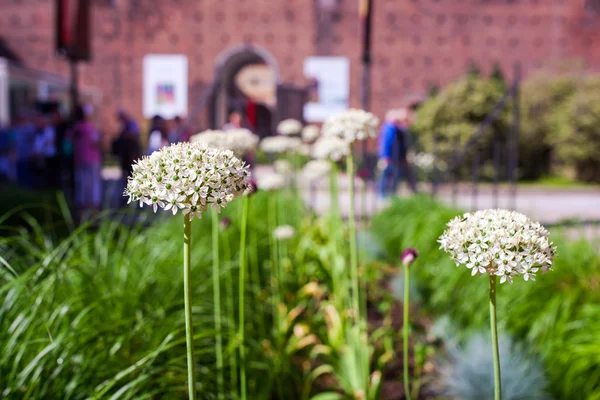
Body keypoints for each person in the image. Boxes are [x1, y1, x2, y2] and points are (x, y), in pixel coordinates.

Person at [69, 104, 102, 215]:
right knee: (93, 182)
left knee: (81, 182)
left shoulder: (75, 128)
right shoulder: (90, 128)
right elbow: (96, 142)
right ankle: (93, 204)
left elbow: (68, 142)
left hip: (79, 159)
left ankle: (82, 203)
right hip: (92, 159)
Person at [377, 109, 410, 198]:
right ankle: (383, 196)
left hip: (394, 157)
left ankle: (390, 195)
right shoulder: (389, 128)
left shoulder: (395, 129)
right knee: (386, 176)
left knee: (394, 177)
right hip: (389, 157)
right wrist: (385, 157)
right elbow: (386, 143)